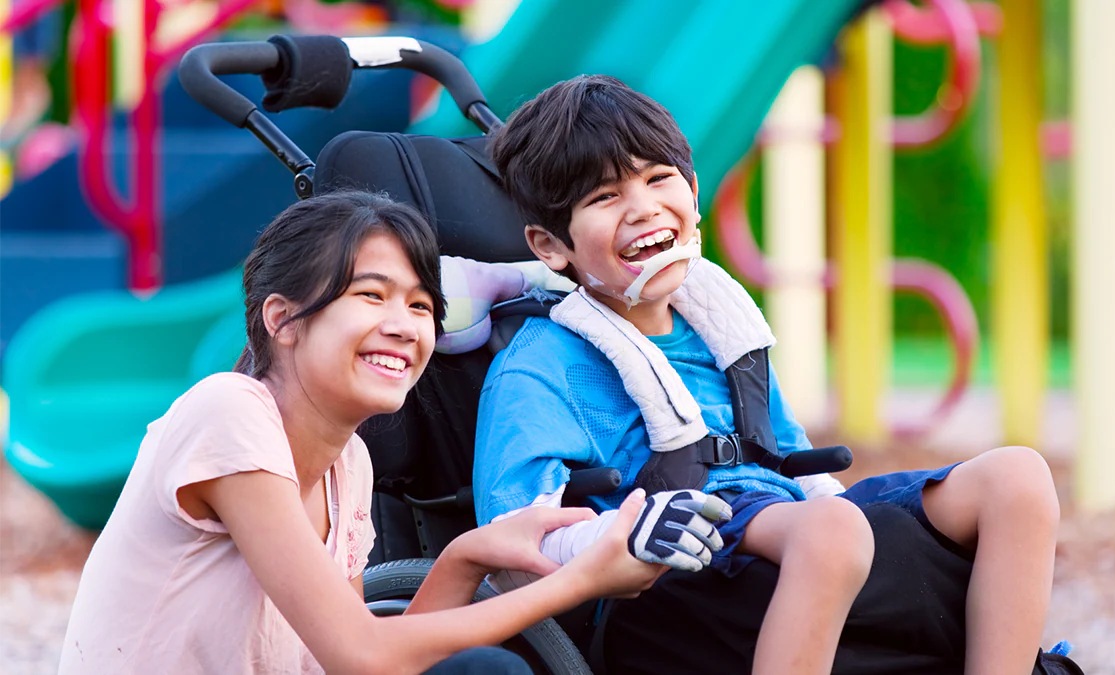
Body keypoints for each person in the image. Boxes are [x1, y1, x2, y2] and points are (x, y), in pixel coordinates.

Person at [474, 75, 1063, 675]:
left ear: (693, 190)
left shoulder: (719, 325)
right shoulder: (543, 362)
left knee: (1018, 478)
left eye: (657, 179)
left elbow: (791, 460)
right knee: (833, 532)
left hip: (786, 529)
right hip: (673, 570)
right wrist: (618, 537)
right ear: (550, 245)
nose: (643, 208)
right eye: (605, 197)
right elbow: (512, 540)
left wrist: (861, 536)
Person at [58, 191, 668, 675]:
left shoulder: (348, 462)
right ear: (283, 320)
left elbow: (359, 665)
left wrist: (465, 557)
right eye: (371, 295)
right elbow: (363, 654)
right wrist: (582, 581)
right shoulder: (227, 411)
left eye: (421, 305)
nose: (404, 326)